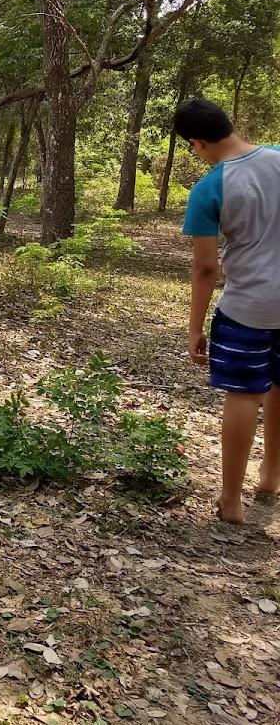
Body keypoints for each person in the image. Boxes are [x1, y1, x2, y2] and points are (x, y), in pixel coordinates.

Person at [178, 98, 280, 524]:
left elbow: (206, 268)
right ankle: (271, 475)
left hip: (249, 305)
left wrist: (195, 328)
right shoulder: (277, 156)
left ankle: (231, 499)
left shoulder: (209, 189)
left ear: (197, 142)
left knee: (244, 394)